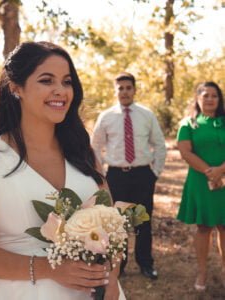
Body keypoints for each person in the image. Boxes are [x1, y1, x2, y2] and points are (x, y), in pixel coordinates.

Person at [0, 41, 126, 300]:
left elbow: (112, 230)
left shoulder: (83, 152)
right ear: (16, 88)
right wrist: (49, 268)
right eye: (47, 80)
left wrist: (111, 278)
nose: (60, 91)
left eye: (67, 82)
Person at [91, 72, 166, 280]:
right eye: (120, 88)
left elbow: (159, 144)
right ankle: (118, 265)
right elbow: (95, 146)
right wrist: (101, 174)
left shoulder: (146, 115)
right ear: (115, 91)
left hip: (143, 174)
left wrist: (155, 172)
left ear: (134, 90)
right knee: (117, 223)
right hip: (116, 176)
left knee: (143, 221)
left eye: (128, 88)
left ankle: (145, 263)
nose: (124, 92)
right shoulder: (106, 117)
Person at [176, 81, 225, 291]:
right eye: (206, 95)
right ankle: (202, 272)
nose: (210, 99)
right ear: (198, 98)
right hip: (200, 181)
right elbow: (185, 152)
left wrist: (221, 170)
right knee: (204, 227)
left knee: (224, 226)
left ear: (220, 99)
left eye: (214, 95)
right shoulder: (189, 123)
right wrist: (209, 172)